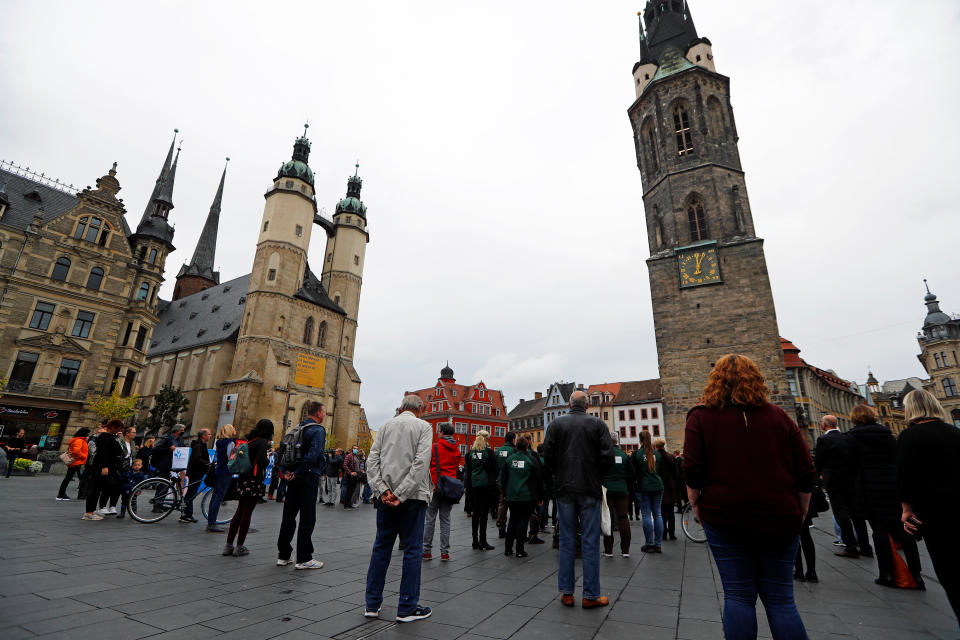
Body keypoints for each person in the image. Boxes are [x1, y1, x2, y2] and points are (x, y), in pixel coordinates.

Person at [684, 354, 813, 640]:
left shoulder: (701, 416)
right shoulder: (778, 416)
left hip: (725, 516)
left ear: (715, 380)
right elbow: (805, 469)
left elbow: (692, 468)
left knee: (738, 596)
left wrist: (695, 502)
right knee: (781, 599)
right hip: (780, 516)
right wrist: (801, 508)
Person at [542, 390, 615, 609]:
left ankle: (566, 593)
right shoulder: (597, 425)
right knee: (591, 541)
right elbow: (608, 457)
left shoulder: (556, 425)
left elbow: (547, 455)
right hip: (589, 488)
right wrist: (597, 475)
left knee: (566, 539)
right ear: (586, 406)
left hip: (564, 488)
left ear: (570, 404)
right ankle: (590, 595)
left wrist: (559, 472)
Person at [364, 395, 433, 623]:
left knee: (381, 547)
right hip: (413, 497)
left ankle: (372, 604)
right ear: (419, 410)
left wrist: (383, 490)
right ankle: (407, 607)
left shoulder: (385, 426)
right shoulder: (424, 427)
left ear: (401, 408)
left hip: (386, 497)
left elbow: (371, 462)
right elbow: (421, 463)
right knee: (412, 549)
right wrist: (401, 493)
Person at [898, 389, 960, 627]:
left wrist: (906, 509)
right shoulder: (955, 432)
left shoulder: (909, 436)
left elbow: (904, 477)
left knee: (950, 574)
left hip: (935, 514)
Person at [846, 403, 923, 589]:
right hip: (893, 485)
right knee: (905, 532)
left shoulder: (852, 438)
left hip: (869, 487)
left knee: (879, 531)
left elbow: (850, 466)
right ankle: (916, 574)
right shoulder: (888, 436)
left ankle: (887, 574)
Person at [276, 401, 327, 570]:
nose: (324, 415)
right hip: (308, 476)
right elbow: (313, 455)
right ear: (319, 413)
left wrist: (287, 472)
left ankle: (283, 555)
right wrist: (298, 472)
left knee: (288, 516)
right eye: (324, 412)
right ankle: (304, 557)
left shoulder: (296, 428)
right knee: (307, 517)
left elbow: (281, 451)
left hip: (292, 477)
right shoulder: (317, 430)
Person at [814, 415, 870, 558]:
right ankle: (865, 546)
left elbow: (819, 462)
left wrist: (817, 480)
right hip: (851, 480)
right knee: (856, 514)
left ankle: (851, 547)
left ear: (824, 425)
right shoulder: (847, 437)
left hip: (834, 482)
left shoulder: (823, 440)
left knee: (841, 514)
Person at [224, 419, 271, 557]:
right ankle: (239, 546)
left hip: (243, 479)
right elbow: (262, 461)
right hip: (254, 481)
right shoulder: (262, 442)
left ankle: (228, 546)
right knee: (247, 513)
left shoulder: (250, 441)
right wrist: (267, 459)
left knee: (239, 512)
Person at [500, 435, 543, 558]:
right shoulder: (531, 460)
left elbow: (503, 478)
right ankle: (520, 549)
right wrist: (540, 497)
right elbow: (538, 480)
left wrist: (504, 492)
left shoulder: (509, 460)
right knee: (523, 521)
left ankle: (508, 548)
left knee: (512, 520)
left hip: (512, 495)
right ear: (527, 446)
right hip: (526, 495)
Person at [423, 422, 459, 561]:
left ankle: (427, 551)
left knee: (430, 519)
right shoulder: (456, 449)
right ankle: (445, 553)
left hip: (434, 486)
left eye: (439, 431)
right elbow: (456, 466)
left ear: (442, 432)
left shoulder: (435, 447)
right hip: (449, 488)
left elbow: (427, 464)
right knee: (445, 520)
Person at [82, 420, 125, 520]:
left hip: (108, 467)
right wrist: (104, 466)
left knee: (98, 489)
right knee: (95, 489)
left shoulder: (110, 437)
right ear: (114, 427)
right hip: (101, 467)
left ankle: (91, 511)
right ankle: (89, 512)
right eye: (119, 428)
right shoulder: (105, 437)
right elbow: (102, 452)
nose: (120, 431)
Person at [632, 429, 665, 553]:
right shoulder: (657, 454)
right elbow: (660, 470)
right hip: (657, 485)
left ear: (640, 439)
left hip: (643, 486)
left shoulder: (637, 454)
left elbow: (633, 473)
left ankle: (649, 543)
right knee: (658, 514)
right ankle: (658, 544)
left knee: (646, 515)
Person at [464, 429, 497, 550]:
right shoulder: (489, 452)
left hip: (473, 486)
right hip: (485, 485)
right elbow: (494, 469)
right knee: (484, 514)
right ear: (487, 439)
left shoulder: (469, 454)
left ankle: (474, 541)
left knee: (475, 513)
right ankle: (483, 540)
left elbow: (468, 471)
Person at [602, 432, 633, 558]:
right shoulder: (624, 455)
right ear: (617, 441)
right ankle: (625, 550)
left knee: (608, 518)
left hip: (607, 490)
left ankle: (609, 550)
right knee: (623, 518)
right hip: (622, 489)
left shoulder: (604, 455)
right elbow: (631, 473)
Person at [206, 424, 237, 532]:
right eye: (233, 428)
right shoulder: (230, 443)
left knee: (215, 497)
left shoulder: (219, 442)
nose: (235, 429)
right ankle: (212, 523)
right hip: (226, 472)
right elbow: (231, 458)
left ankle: (211, 521)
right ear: (230, 430)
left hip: (219, 470)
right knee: (218, 498)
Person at [180, 428, 212, 523]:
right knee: (191, 493)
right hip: (196, 472)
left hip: (197, 471)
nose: (210, 436)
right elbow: (197, 460)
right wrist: (208, 463)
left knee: (191, 492)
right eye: (209, 434)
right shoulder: (198, 445)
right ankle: (186, 514)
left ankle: (186, 513)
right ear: (204, 436)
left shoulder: (201, 444)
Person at [655, 437, 679, 541]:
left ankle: (664, 533)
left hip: (660, 486)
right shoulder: (670, 457)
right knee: (670, 512)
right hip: (670, 487)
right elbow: (676, 473)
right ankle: (672, 533)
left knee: (661, 512)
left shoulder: (656, 457)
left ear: (656, 446)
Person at [494, 432, 517, 538]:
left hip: (500, 481)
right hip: (511, 482)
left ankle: (501, 527)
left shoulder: (498, 450)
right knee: (513, 505)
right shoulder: (514, 451)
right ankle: (513, 527)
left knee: (502, 504)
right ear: (513, 439)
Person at [57, 428, 90, 500]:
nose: (88, 435)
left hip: (76, 462)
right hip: (75, 462)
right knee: (68, 478)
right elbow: (76, 452)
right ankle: (61, 494)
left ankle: (61, 494)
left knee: (68, 478)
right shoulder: (79, 440)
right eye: (87, 434)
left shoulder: (78, 439)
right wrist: (84, 456)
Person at [342, 444, 361, 509]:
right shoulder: (349, 455)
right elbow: (345, 465)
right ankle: (346, 505)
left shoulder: (356, 457)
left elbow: (357, 466)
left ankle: (349, 504)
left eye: (357, 449)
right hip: (350, 476)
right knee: (349, 491)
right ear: (352, 449)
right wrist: (350, 472)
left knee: (352, 491)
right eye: (354, 448)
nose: (356, 450)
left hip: (355, 476)